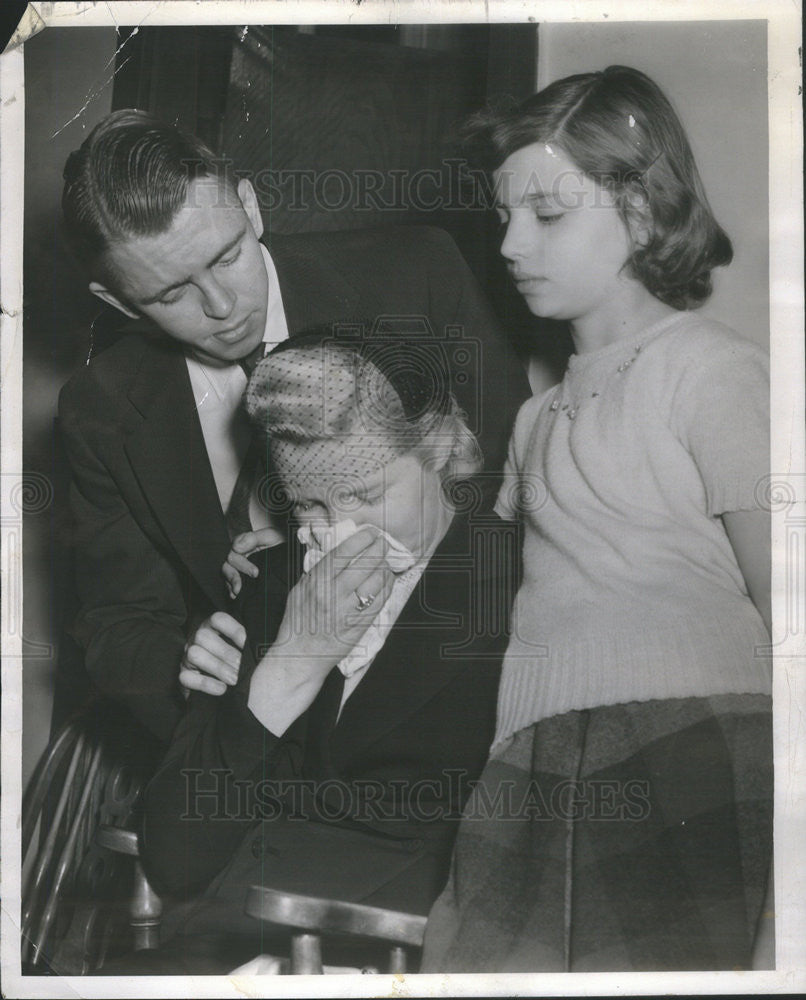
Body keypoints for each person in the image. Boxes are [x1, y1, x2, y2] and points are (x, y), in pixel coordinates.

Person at [422, 65, 773, 972]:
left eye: (547, 214)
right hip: (531, 751)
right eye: (503, 215)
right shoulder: (536, 417)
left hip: (687, 744)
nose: (508, 244)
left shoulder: (710, 368)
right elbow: (461, 574)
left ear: (645, 212)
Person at [57, 110, 529, 742]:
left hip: (443, 711)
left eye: (227, 258)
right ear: (116, 301)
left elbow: (515, 493)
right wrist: (190, 668)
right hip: (246, 746)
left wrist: (323, 547)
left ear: (250, 206)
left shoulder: (417, 274)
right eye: (170, 296)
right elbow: (119, 622)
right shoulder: (101, 406)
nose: (222, 308)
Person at [103, 329, 521, 974]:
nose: (338, 533)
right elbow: (174, 856)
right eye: (309, 505)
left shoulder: (523, 586)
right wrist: (293, 664)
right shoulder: (271, 583)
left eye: (365, 495)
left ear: (439, 448)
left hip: (396, 954)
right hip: (223, 947)